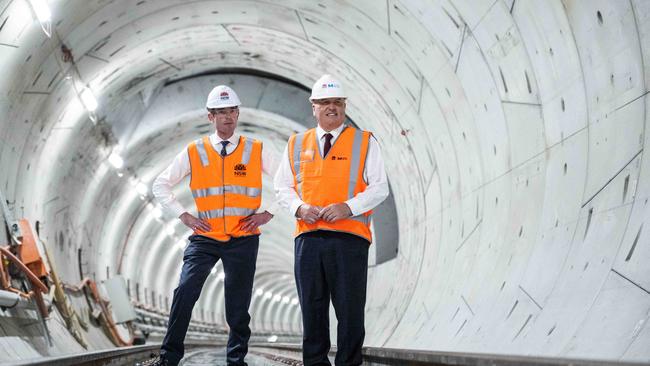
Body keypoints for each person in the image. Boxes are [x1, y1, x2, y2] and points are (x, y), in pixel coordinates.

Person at [141, 85, 278, 366]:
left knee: (238, 306)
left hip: (244, 236)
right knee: (185, 291)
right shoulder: (195, 151)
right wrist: (184, 215)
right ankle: (168, 359)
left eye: (232, 111)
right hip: (205, 236)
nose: (228, 117)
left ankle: (236, 361)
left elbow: (287, 182)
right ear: (210, 117)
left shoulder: (256, 149)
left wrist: (269, 213)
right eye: (221, 112)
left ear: (238, 113)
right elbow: (160, 184)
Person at [274, 75, 389, 365]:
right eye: (325, 102)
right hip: (308, 239)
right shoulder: (296, 144)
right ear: (313, 106)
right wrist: (299, 208)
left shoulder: (364, 141)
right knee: (312, 312)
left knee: (350, 312)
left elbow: (379, 188)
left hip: (349, 239)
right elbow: (281, 187)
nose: (331, 107)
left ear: (345, 106)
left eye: (337, 102)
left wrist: (348, 207)